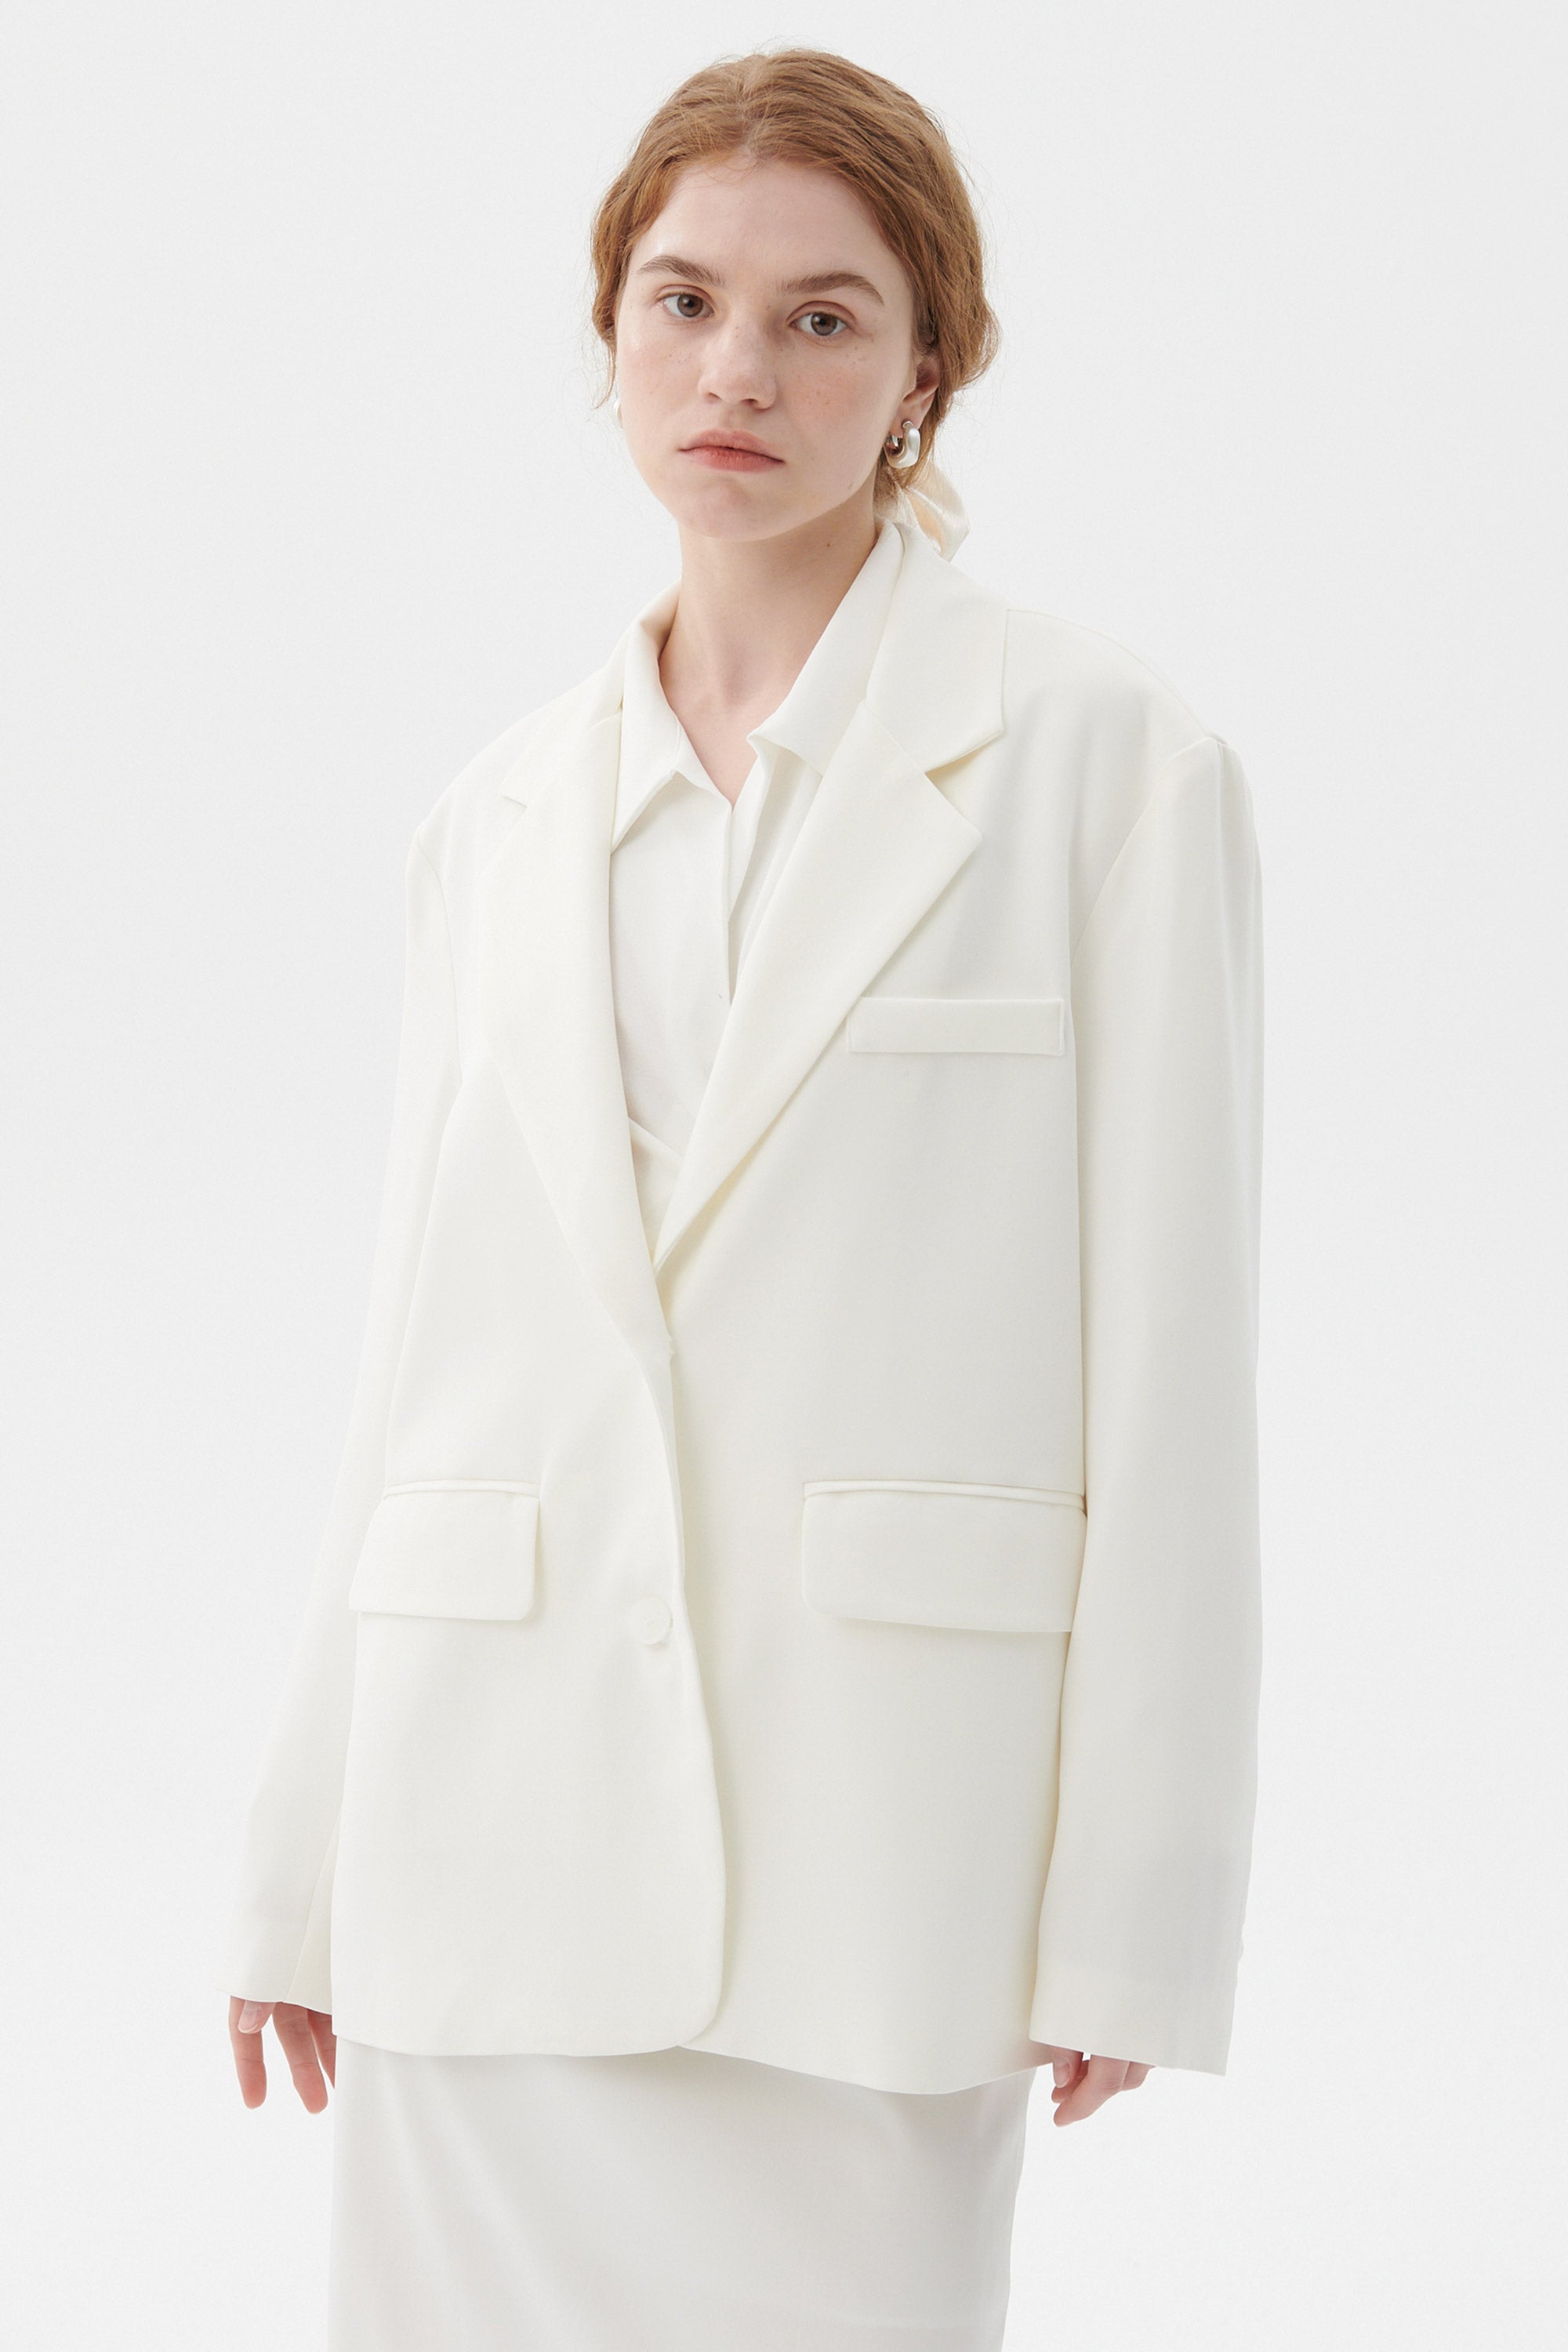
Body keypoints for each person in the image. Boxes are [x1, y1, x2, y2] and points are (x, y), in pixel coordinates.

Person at [220, 45, 1265, 2352]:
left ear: (928, 367)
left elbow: (1175, 1365)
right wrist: (298, 1871)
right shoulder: (493, 817)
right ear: (607, 332)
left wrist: (1137, 1910)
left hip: (879, 1857)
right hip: (476, 1833)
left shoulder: (1108, 769)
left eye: (822, 316)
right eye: (684, 301)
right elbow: (413, 1357)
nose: (738, 372)